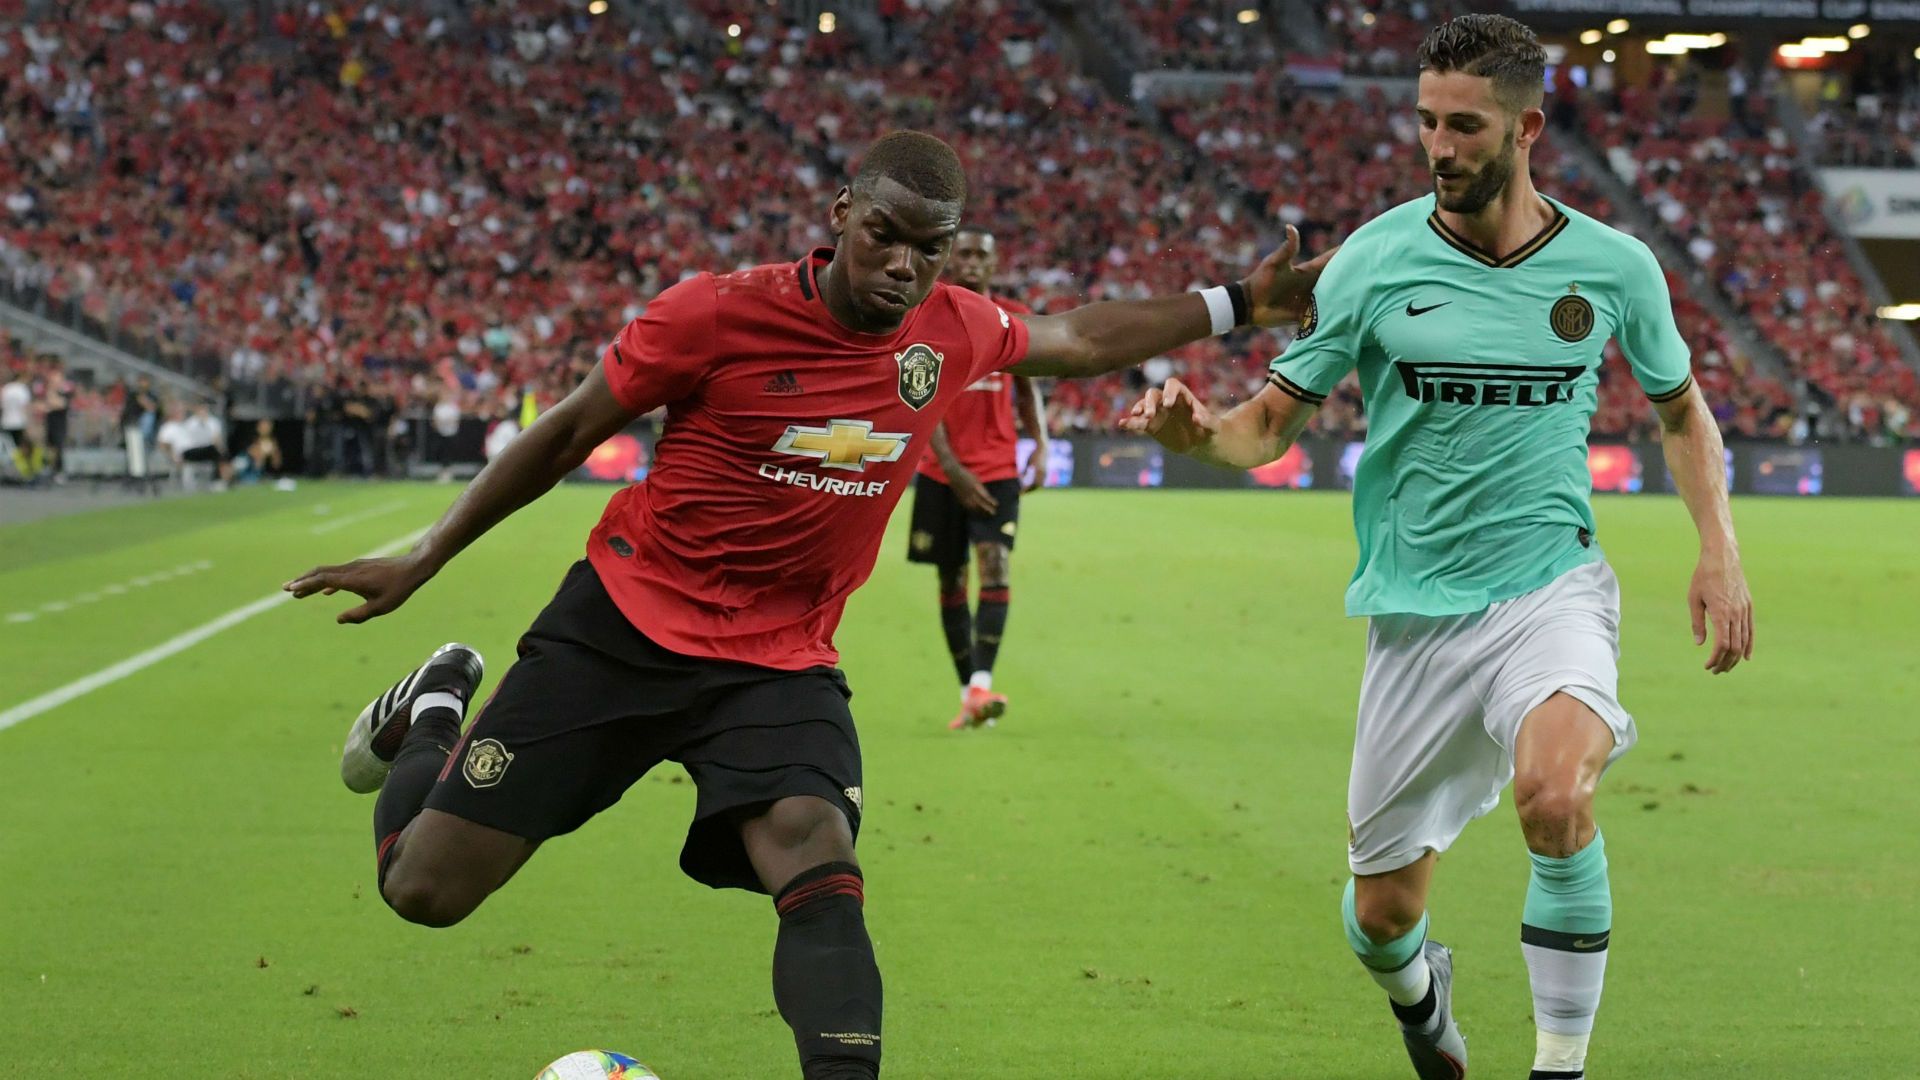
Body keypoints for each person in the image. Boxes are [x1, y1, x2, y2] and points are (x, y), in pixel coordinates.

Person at [285, 130, 1325, 1080]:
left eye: (930, 247)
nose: (905, 266)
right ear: (839, 217)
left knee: (817, 848)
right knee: (424, 892)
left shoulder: (950, 330)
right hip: (623, 628)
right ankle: (432, 709)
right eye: (884, 237)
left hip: (778, 662)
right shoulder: (711, 313)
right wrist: (425, 556)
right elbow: (563, 435)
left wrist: (1241, 301)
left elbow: (1083, 337)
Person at [1123, 18, 1753, 1080]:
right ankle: (1424, 1004)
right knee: (1379, 916)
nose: (1441, 147)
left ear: (1527, 127)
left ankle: (1560, 1063)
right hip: (1416, 615)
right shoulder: (1373, 257)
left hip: (1549, 588)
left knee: (1556, 799)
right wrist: (1196, 433)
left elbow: (1682, 410)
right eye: (1426, 123)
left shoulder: (1614, 266)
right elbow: (1268, 424)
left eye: (1466, 125)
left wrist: (1719, 549)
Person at [903, 227, 1049, 729]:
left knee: (996, 567)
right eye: (962, 253)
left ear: (993, 263)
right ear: (947, 257)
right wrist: (953, 469)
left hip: (999, 467)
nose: (970, 262)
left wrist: (1042, 446)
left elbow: (1029, 390)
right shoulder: (927, 316)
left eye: (980, 255)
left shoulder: (1011, 317)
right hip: (942, 472)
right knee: (951, 578)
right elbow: (923, 403)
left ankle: (982, 685)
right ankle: (969, 690)